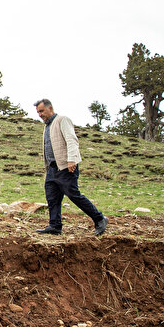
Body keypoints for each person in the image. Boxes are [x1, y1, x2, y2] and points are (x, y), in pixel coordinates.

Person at [34, 99, 107, 236]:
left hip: (66, 167)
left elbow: (72, 140)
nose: (40, 114)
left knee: (74, 195)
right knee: (52, 197)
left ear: (51, 108)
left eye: (42, 111)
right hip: (52, 168)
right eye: (38, 112)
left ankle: (99, 218)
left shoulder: (63, 120)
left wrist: (72, 159)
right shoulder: (47, 126)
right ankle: (55, 226)